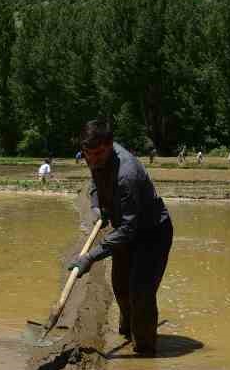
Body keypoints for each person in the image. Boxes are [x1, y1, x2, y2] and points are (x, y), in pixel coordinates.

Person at [67, 120, 174, 356]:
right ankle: (130, 331)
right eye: (88, 154)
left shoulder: (128, 174)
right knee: (121, 287)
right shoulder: (93, 155)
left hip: (151, 233)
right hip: (125, 228)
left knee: (141, 292)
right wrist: (97, 206)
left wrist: (91, 257)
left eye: (98, 153)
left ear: (110, 145)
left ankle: (145, 353)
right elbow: (95, 182)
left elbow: (128, 229)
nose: (92, 159)